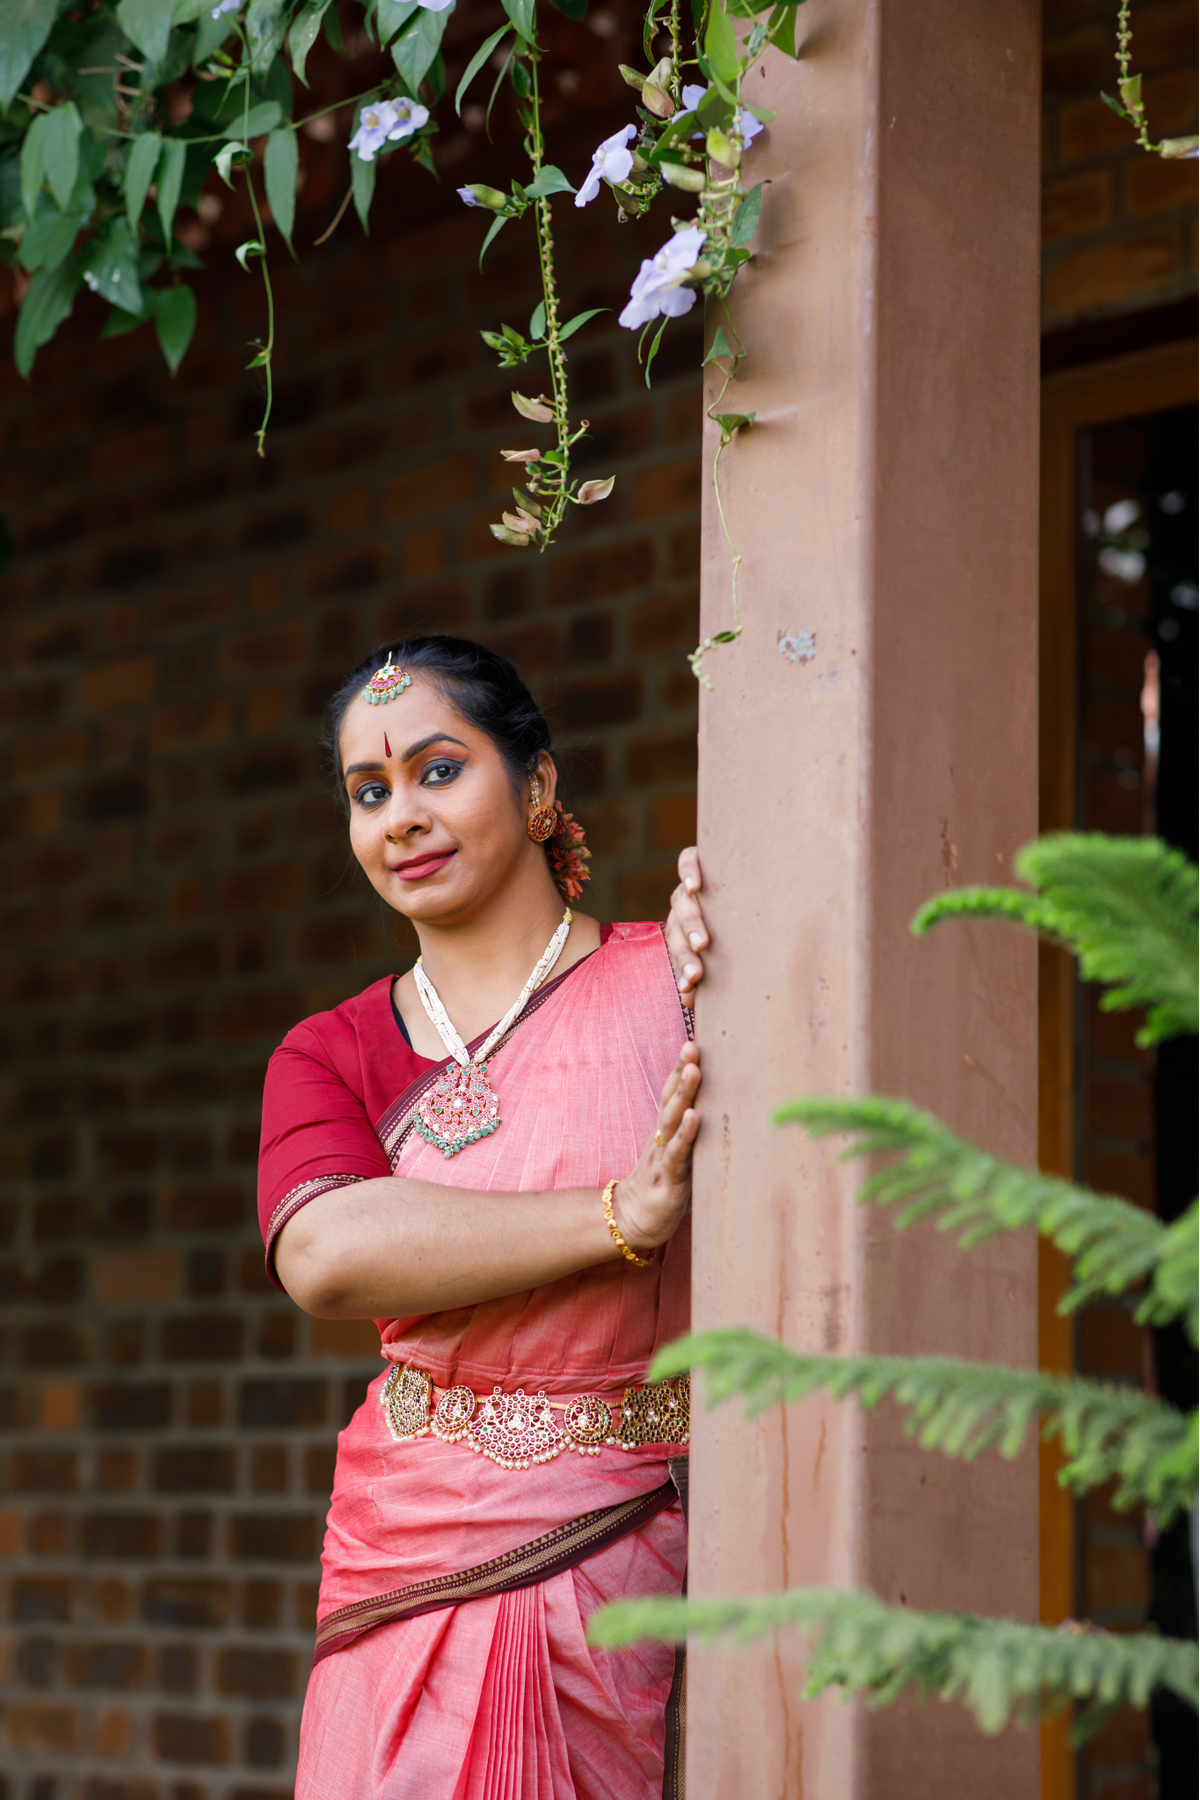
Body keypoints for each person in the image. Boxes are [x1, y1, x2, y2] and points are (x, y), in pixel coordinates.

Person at [258, 636, 704, 1799]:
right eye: (369, 791)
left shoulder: (679, 982)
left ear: (539, 787)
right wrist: (621, 1215)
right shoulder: (330, 1051)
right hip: (411, 1562)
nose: (401, 815)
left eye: (439, 770)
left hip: (645, 1549)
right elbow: (328, 1252)